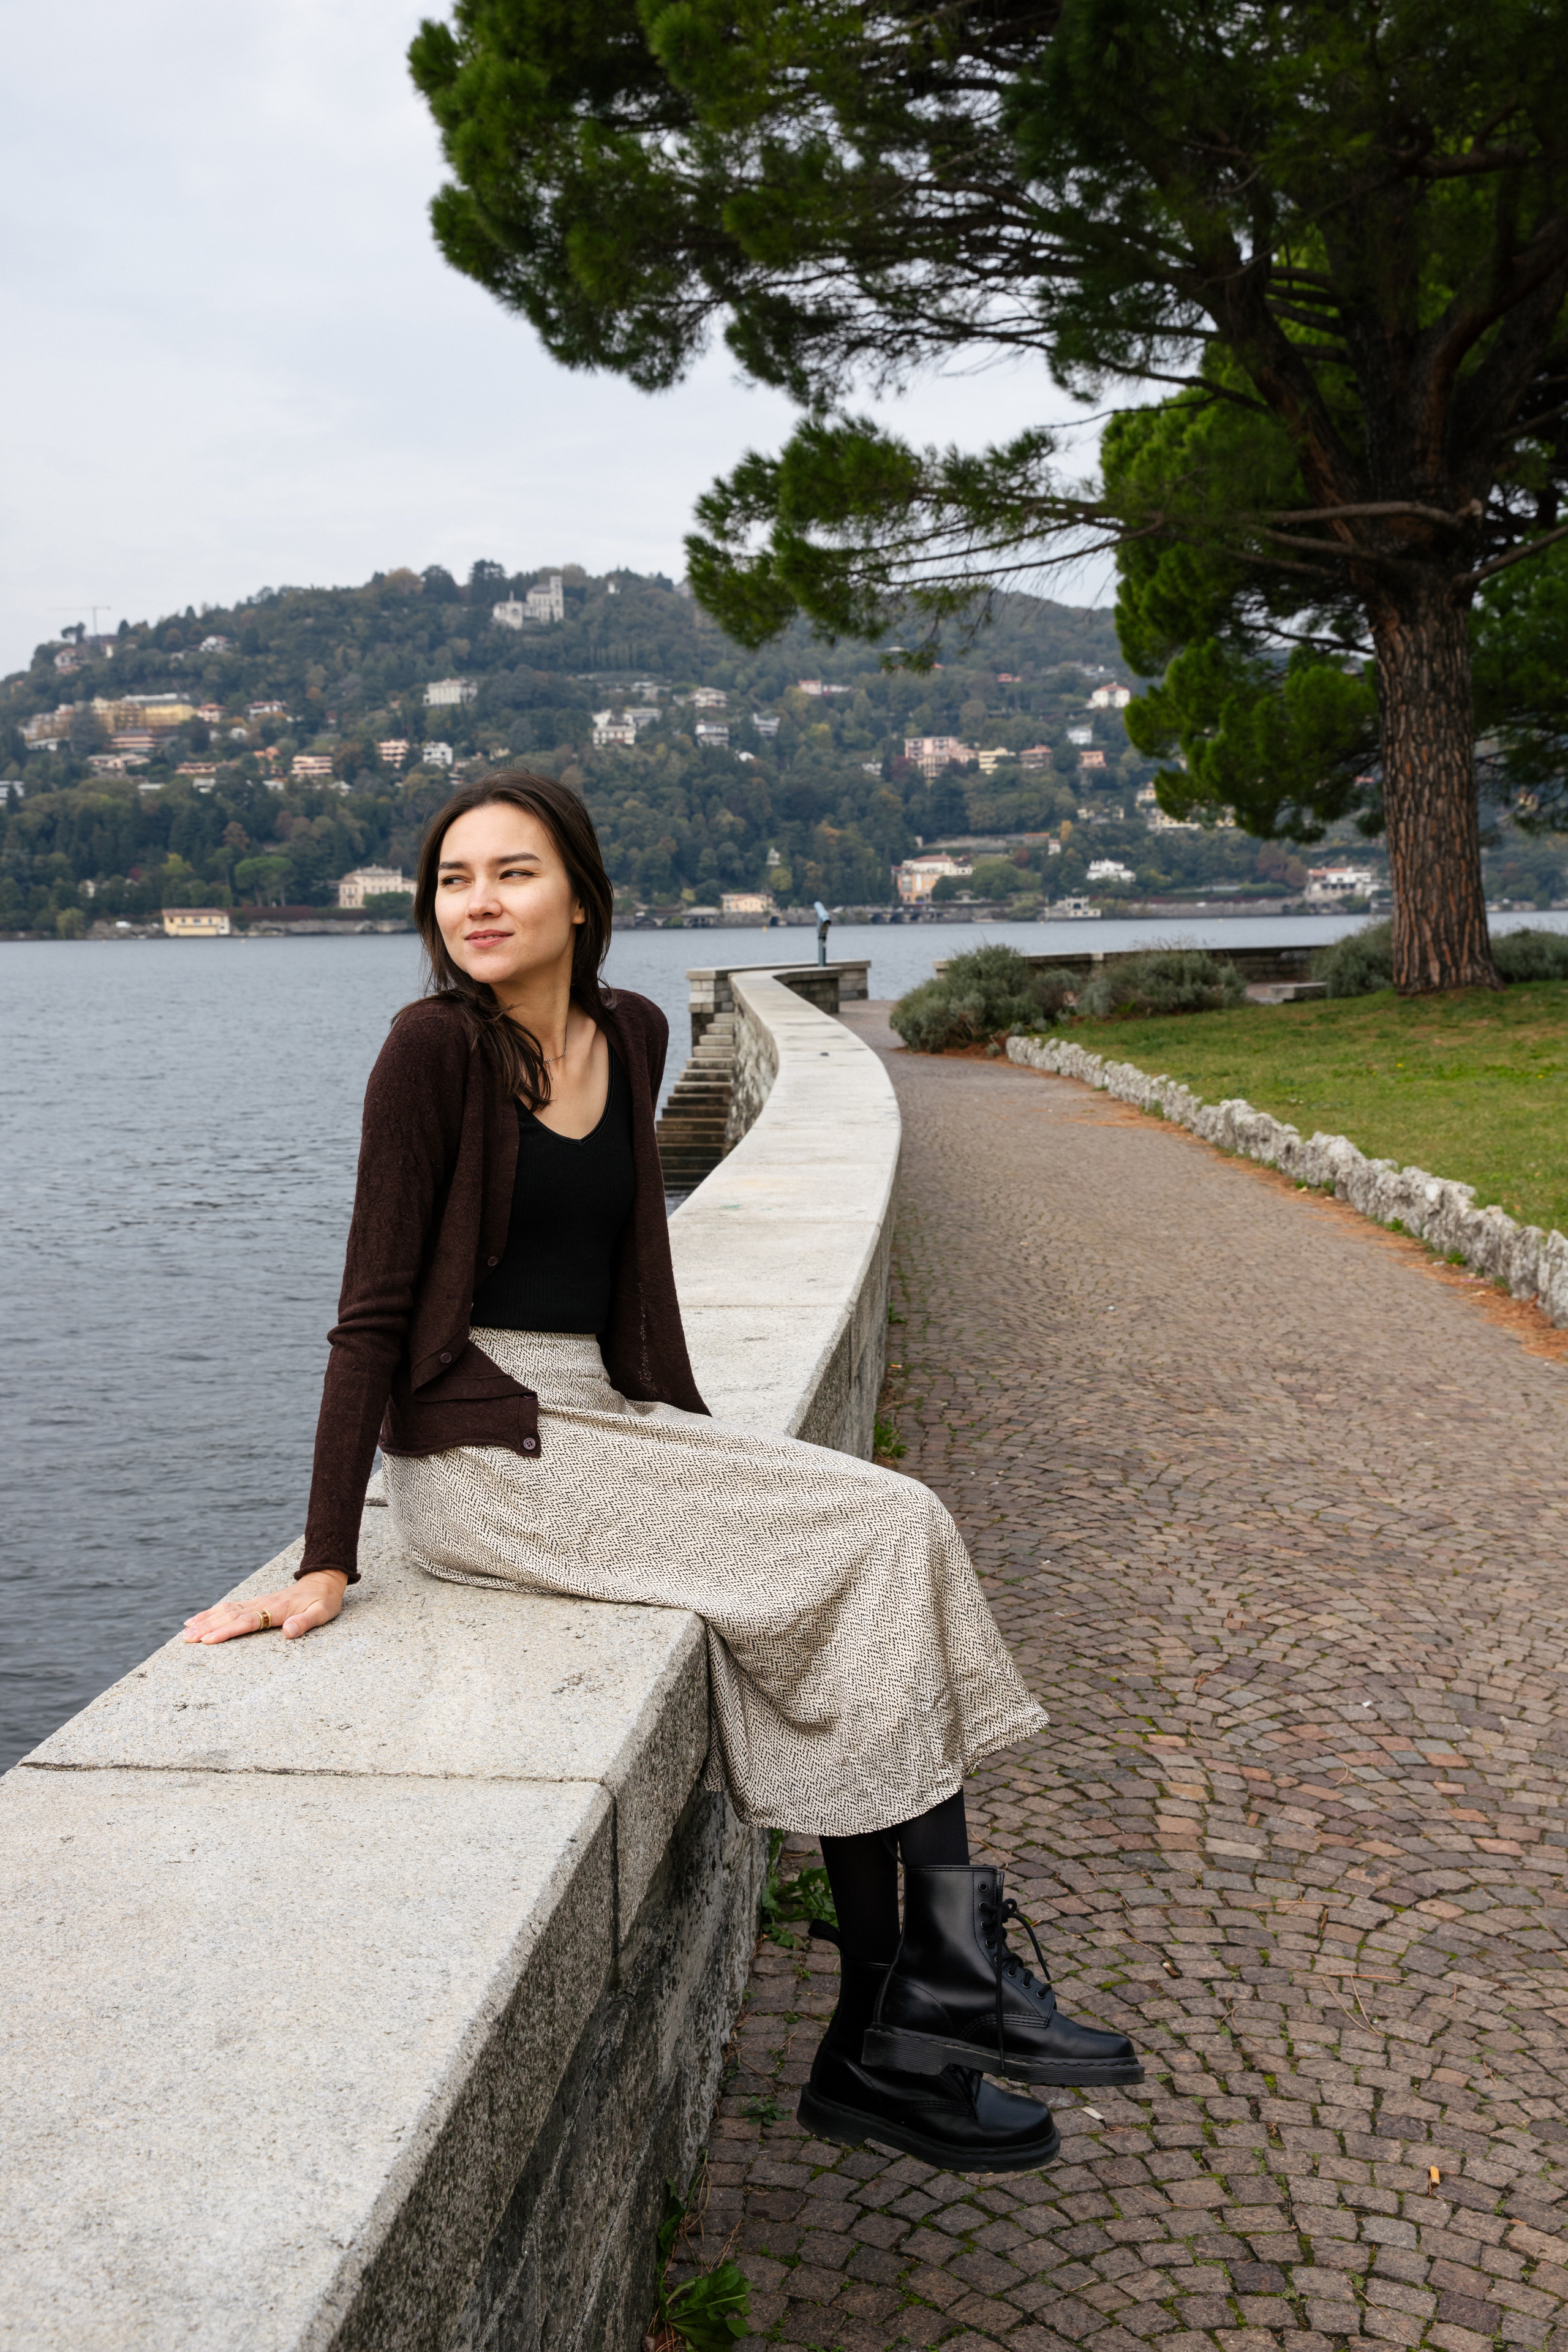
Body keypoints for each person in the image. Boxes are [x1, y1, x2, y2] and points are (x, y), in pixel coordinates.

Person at [183, 773, 1140, 2168]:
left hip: (599, 1417)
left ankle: (895, 2027)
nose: (477, 904)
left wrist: (687, 1429)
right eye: (453, 880)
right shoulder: (429, 1052)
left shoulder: (630, 1033)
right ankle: (922, 1995)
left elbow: (632, 1271)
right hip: (485, 1450)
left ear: (581, 896)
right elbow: (370, 1314)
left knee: (869, 1546)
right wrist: (327, 1554)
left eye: (512, 873)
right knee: (885, 1525)